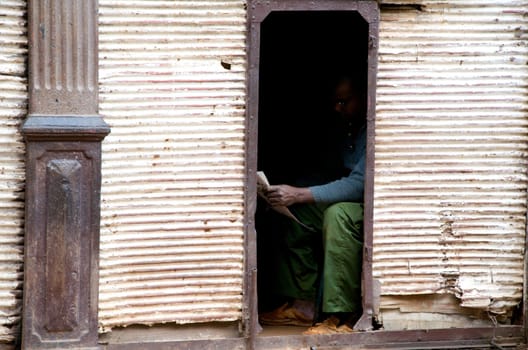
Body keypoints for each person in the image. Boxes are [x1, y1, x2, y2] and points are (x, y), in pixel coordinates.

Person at [258, 75, 366, 334]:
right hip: (354, 199)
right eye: (335, 102)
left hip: (374, 205)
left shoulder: (376, 128)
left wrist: (301, 193)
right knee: (296, 211)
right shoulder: (349, 129)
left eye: (344, 101)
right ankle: (303, 305)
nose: (337, 108)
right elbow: (330, 175)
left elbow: (360, 184)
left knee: (338, 215)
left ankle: (338, 317)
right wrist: (288, 192)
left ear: (365, 97)